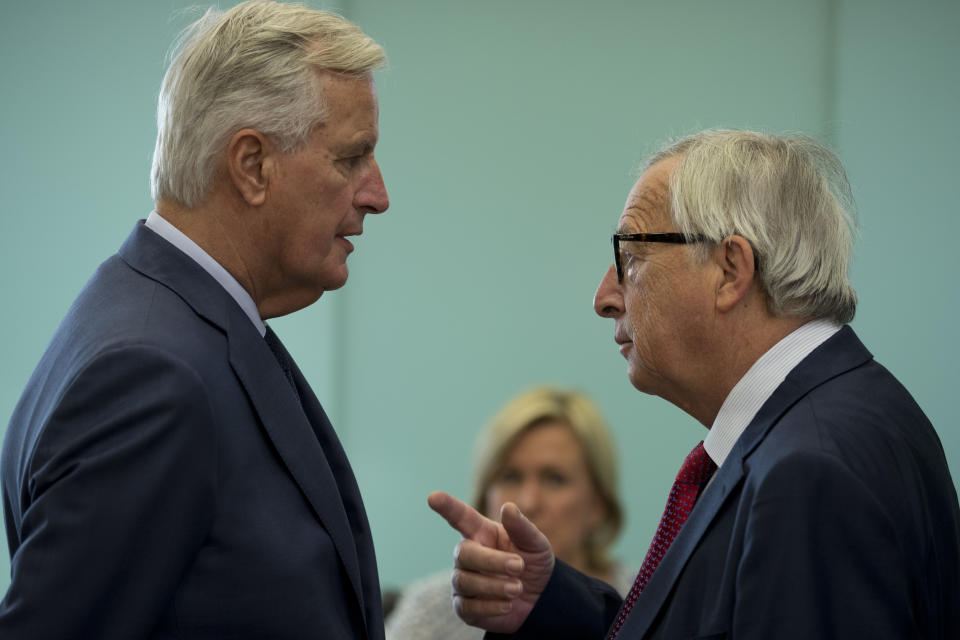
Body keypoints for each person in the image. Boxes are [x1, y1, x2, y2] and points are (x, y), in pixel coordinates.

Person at [429, 130, 960, 639]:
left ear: (731, 270)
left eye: (630, 258)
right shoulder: (831, 420)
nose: (604, 297)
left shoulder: (807, 469)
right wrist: (546, 603)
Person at [0, 2, 389, 638]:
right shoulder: (151, 375)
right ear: (252, 166)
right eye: (351, 159)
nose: (378, 194)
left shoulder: (178, 322)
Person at [386, 387, 634, 640]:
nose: (527, 503)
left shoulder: (646, 598)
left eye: (554, 479)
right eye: (511, 477)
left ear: (598, 504)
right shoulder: (432, 609)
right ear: (484, 496)